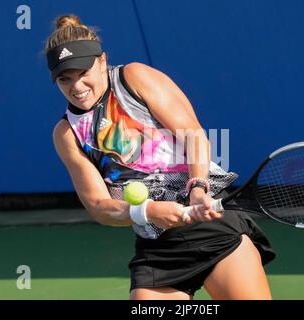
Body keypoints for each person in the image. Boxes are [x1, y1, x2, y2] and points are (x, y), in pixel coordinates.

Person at [46, 14, 276, 300]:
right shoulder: (67, 133)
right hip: (158, 246)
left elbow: (193, 134)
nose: (77, 86)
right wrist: (147, 211)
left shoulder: (134, 77)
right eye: (65, 79)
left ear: (102, 60)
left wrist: (198, 188)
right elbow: (98, 206)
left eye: (83, 73)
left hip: (211, 225)